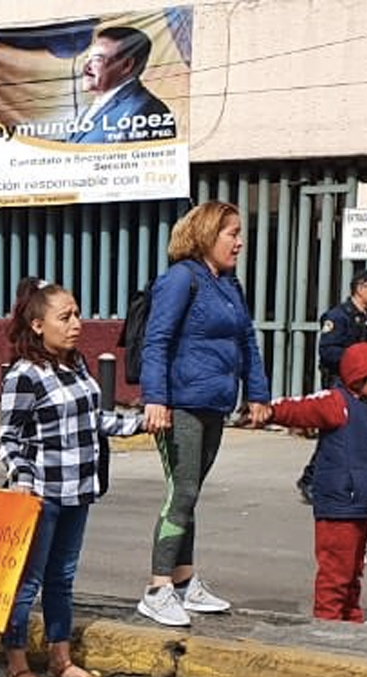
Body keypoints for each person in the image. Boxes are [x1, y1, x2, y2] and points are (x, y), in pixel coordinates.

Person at [0, 278, 142, 677]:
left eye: (77, 314)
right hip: (42, 495)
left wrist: (141, 424)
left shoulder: (75, 365)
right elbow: (9, 439)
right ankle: (17, 666)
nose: (76, 323)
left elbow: (95, 422)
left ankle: (61, 660)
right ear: (38, 324)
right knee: (27, 582)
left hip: (79, 489)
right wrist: (23, 482)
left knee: (62, 578)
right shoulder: (25, 375)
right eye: (66, 317)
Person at [135, 200, 270, 627]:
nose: (240, 242)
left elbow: (247, 340)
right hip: (181, 404)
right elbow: (157, 340)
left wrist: (258, 394)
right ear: (207, 235)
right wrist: (155, 398)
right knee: (183, 492)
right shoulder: (180, 280)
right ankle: (157, 588)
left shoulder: (228, 285)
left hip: (214, 402)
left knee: (190, 495)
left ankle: (184, 580)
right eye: (232, 233)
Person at [261, 344, 367, 622]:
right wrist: (266, 411)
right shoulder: (336, 403)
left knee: (356, 568)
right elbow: (299, 409)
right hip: (339, 504)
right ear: (359, 379)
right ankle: (328, 622)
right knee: (336, 570)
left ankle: (351, 617)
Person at [297, 269, 367, 502]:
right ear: (359, 288)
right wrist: (356, 361)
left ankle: (339, 478)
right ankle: (310, 478)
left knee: (354, 433)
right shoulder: (338, 317)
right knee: (336, 431)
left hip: (361, 386)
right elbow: (328, 351)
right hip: (340, 382)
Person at [65, 24, 175, 145]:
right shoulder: (101, 102)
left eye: (97, 59)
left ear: (126, 65)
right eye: (87, 58)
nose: (85, 67)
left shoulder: (143, 111)